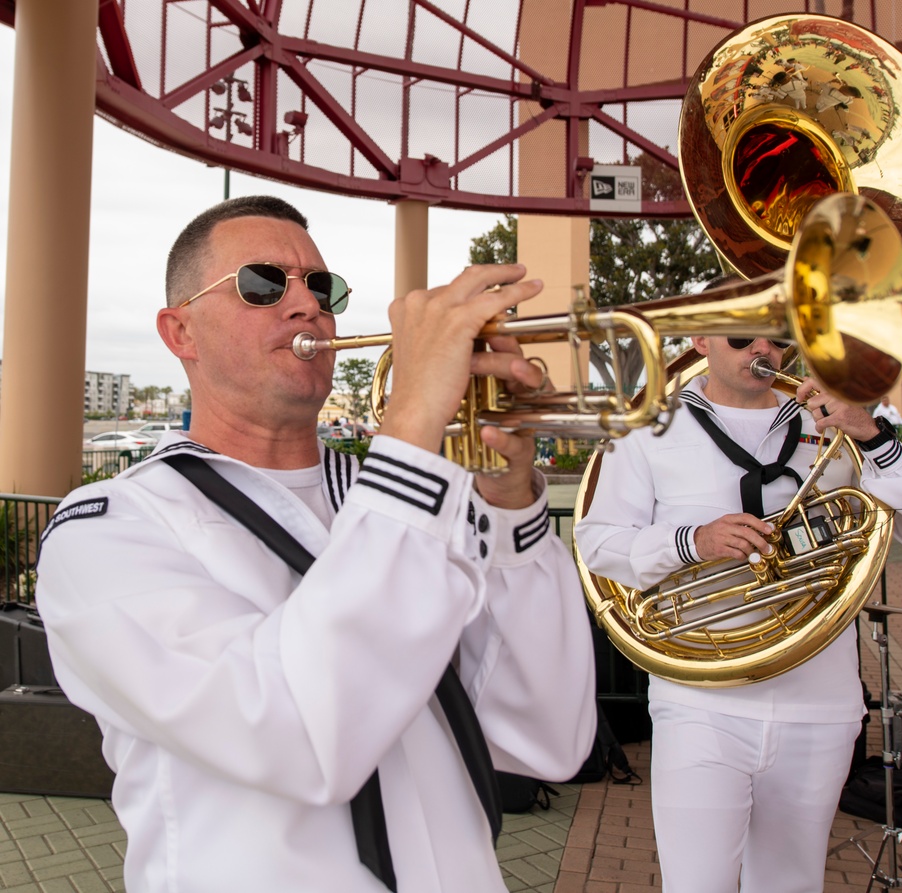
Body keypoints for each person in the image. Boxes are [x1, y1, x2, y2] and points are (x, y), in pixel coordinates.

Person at [35, 195, 597, 893]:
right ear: (180, 331)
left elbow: (543, 734)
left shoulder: (404, 499)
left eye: (321, 287)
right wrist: (416, 418)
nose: (306, 305)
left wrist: (510, 503)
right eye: (262, 284)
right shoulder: (111, 527)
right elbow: (294, 734)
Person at [575, 333, 902, 893]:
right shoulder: (647, 425)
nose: (763, 349)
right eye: (740, 336)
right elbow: (599, 543)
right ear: (702, 338)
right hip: (700, 700)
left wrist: (872, 436)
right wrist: (691, 541)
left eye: (777, 337)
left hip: (819, 703)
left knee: (792, 884)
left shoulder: (826, 422)